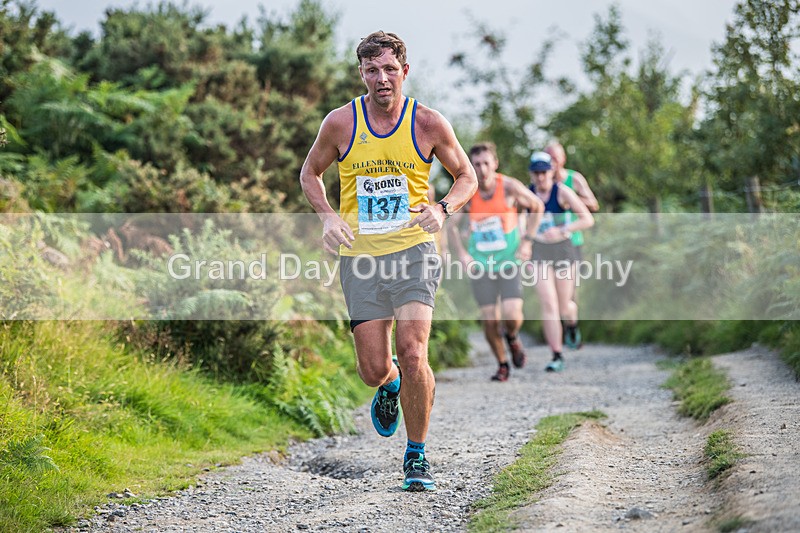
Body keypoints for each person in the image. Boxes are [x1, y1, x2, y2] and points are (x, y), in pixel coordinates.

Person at [299, 31, 477, 492]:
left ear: (405, 71)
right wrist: (328, 217)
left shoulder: (428, 123)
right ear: (361, 73)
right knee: (372, 369)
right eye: (372, 70)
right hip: (361, 259)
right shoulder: (341, 123)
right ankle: (391, 382)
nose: (382, 78)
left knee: (415, 351)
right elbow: (310, 173)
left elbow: (466, 175)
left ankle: (416, 453)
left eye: (390, 69)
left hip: (414, 252)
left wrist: (442, 208)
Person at [447, 142, 543, 382]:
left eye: (486, 163)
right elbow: (451, 226)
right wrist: (462, 254)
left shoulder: (509, 186)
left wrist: (527, 242)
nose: (482, 169)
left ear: (495, 164)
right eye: (476, 164)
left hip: (509, 261)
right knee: (490, 319)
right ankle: (502, 364)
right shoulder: (468, 191)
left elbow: (537, 206)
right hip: (480, 264)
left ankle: (512, 337)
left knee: (512, 315)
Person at [527, 151, 594, 372]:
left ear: (551, 172)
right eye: (536, 173)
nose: (540, 177)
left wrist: (563, 229)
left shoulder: (563, 192)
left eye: (544, 172)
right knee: (548, 304)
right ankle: (556, 354)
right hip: (539, 251)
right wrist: (526, 240)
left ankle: (572, 324)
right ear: (531, 174)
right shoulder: (527, 195)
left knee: (564, 306)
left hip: (563, 250)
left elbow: (587, 218)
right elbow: (516, 220)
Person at [543, 143, 599, 349]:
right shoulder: (542, 180)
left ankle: (571, 326)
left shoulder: (574, 179)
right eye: (548, 157)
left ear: (563, 159)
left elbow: (593, 204)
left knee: (569, 292)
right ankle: (558, 334)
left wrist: (570, 198)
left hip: (571, 241)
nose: (552, 162)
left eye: (555, 158)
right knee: (551, 293)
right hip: (547, 243)